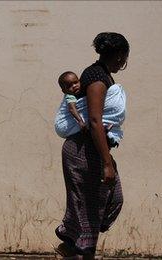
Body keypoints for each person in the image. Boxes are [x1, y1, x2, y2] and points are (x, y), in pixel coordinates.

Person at [54, 32, 130, 260]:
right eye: (124, 57)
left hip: (92, 149)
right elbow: (95, 121)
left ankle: (70, 241)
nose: (124, 62)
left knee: (111, 200)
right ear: (119, 56)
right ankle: (76, 246)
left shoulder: (102, 74)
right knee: (91, 211)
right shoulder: (97, 77)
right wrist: (107, 163)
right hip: (83, 151)